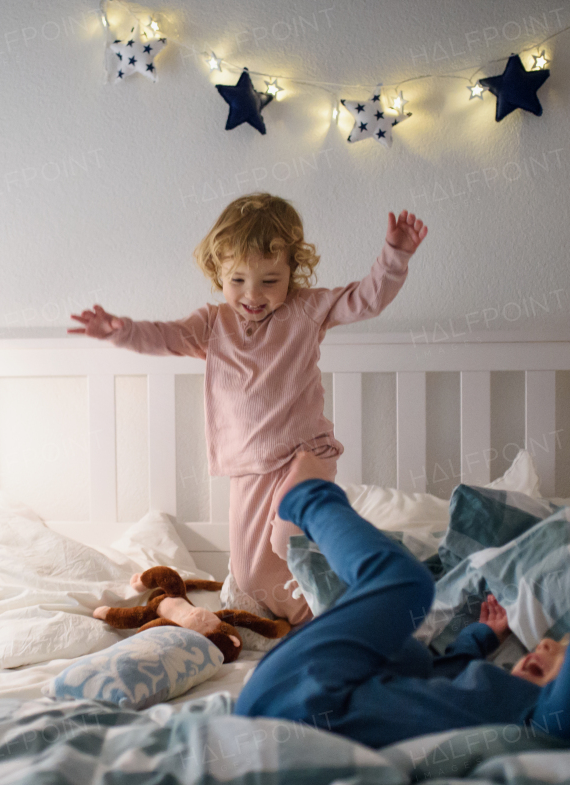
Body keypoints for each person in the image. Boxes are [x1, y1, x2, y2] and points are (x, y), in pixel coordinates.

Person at [70, 194, 427, 624]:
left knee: (288, 534)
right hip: (249, 469)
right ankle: (317, 618)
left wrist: (395, 256)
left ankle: (371, 593)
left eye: (270, 280)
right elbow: (165, 336)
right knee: (250, 573)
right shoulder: (212, 325)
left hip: (304, 456)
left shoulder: (307, 310)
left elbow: (365, 299)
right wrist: (121, 331)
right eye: (237, 280)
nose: (252, 295)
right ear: (218, 273)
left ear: (293, 271)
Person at [235, 451, 570, 748]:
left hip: (301, 703)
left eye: (566, 653)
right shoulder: (504, 705)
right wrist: (482, 637)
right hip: (315, 701)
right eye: (555, 643)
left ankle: (307, 498)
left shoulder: (549, 721)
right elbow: (439, 686)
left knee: (406, 586)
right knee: (412, 656)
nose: (545, 642)